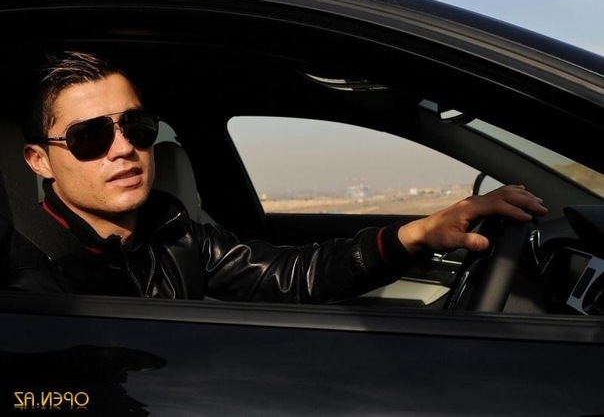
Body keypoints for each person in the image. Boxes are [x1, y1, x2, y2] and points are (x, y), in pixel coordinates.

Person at [1, 50, 548, 302]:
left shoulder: (170, 228)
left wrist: (422, 233)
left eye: (138, 127)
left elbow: (290, 274)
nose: (124, 148)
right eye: (90, 137)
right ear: (39, 160)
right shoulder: (27, 273)